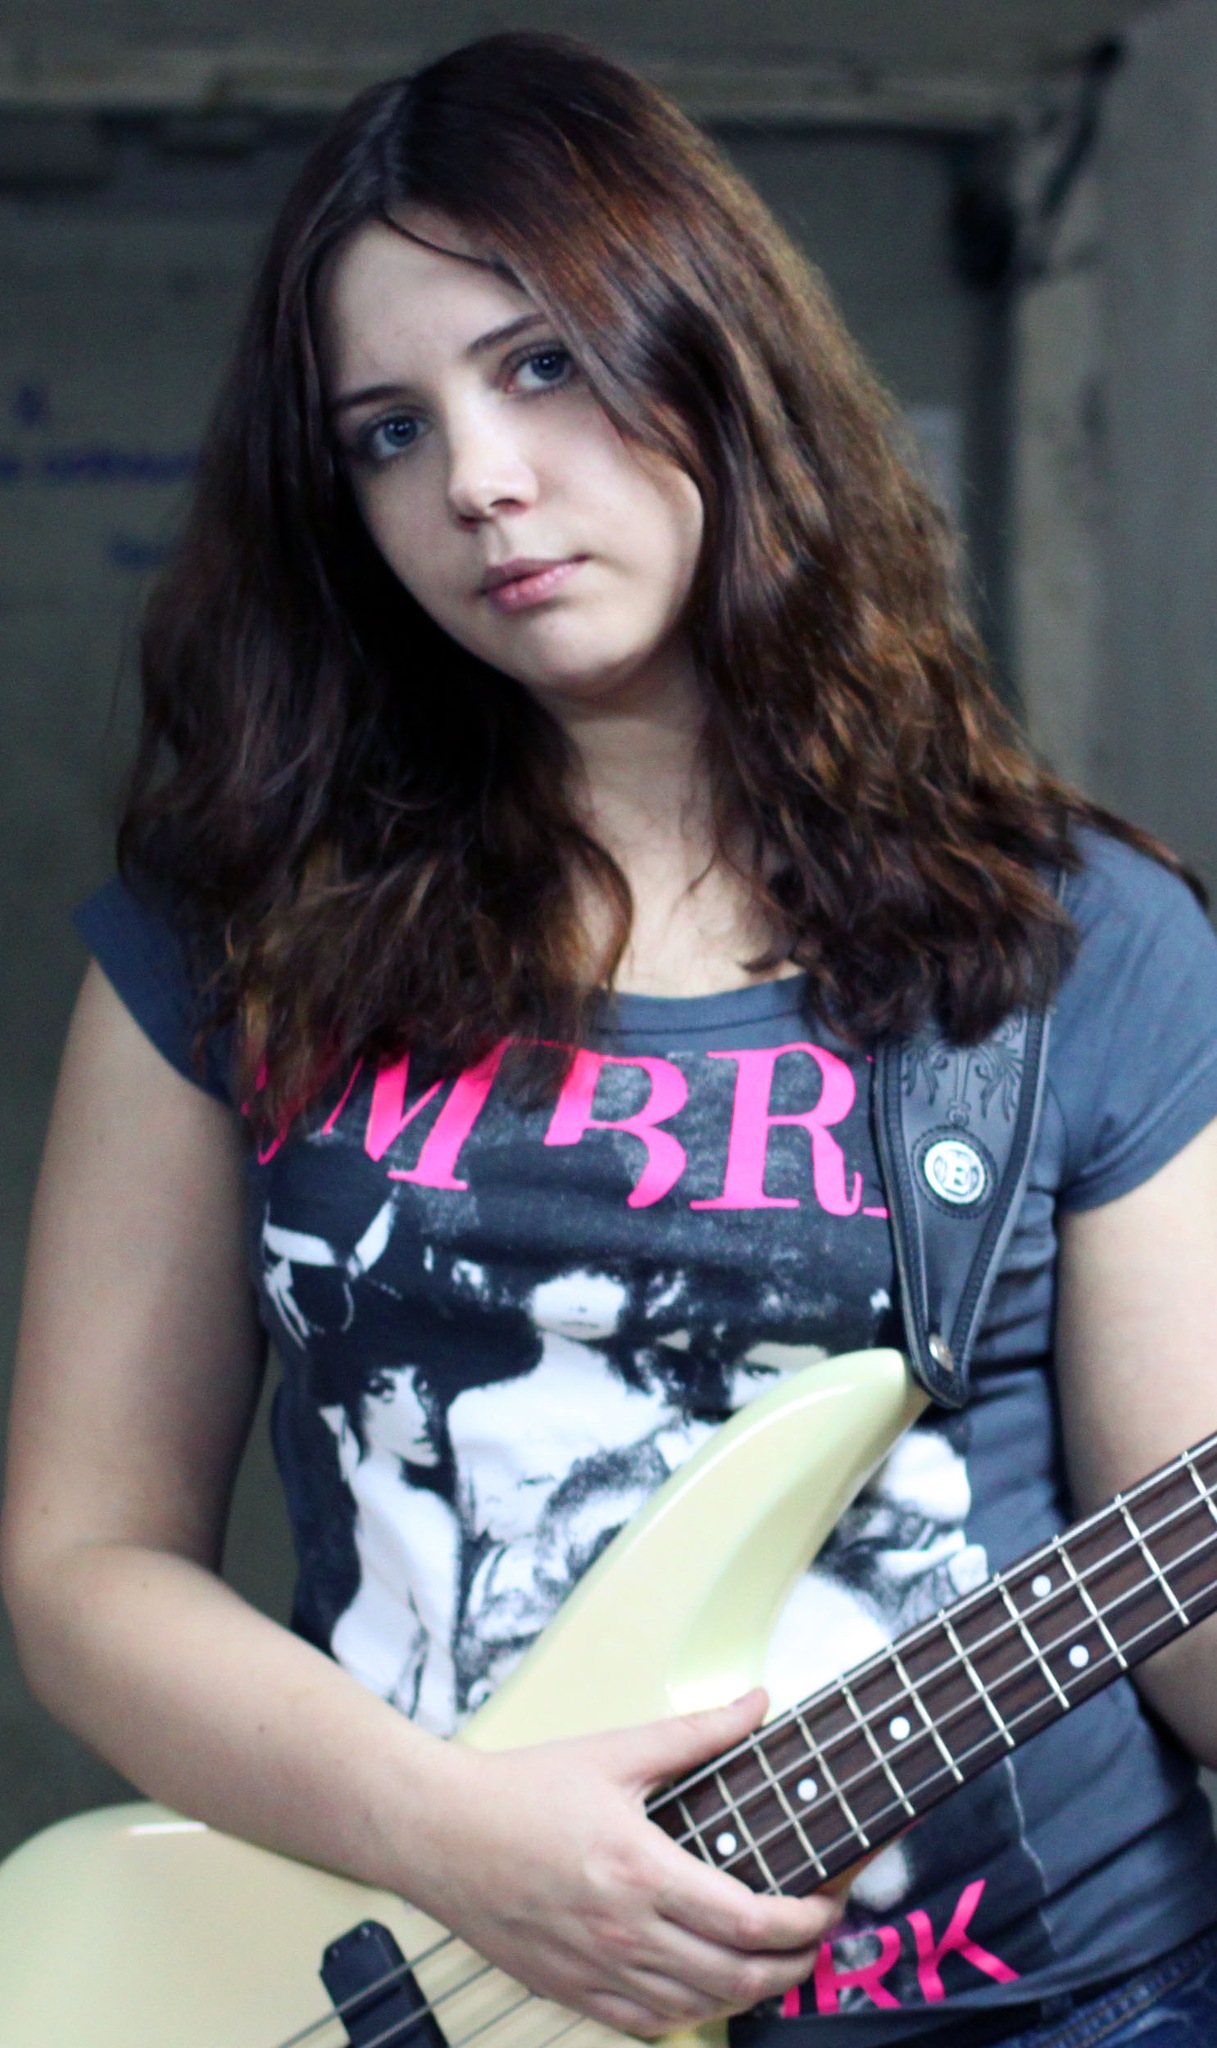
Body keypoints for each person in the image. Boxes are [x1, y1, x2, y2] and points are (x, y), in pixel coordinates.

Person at [4, 31, 1217, 2048]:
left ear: (717, 354)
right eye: (388, 431)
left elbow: (1182, 1617)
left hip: (1065, 2006)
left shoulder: (1080, 942)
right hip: (443, 1988)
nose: (477, 478)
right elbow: (81, 1561)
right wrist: (453, 1837)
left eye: (544, 363)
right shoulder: (227, 939)